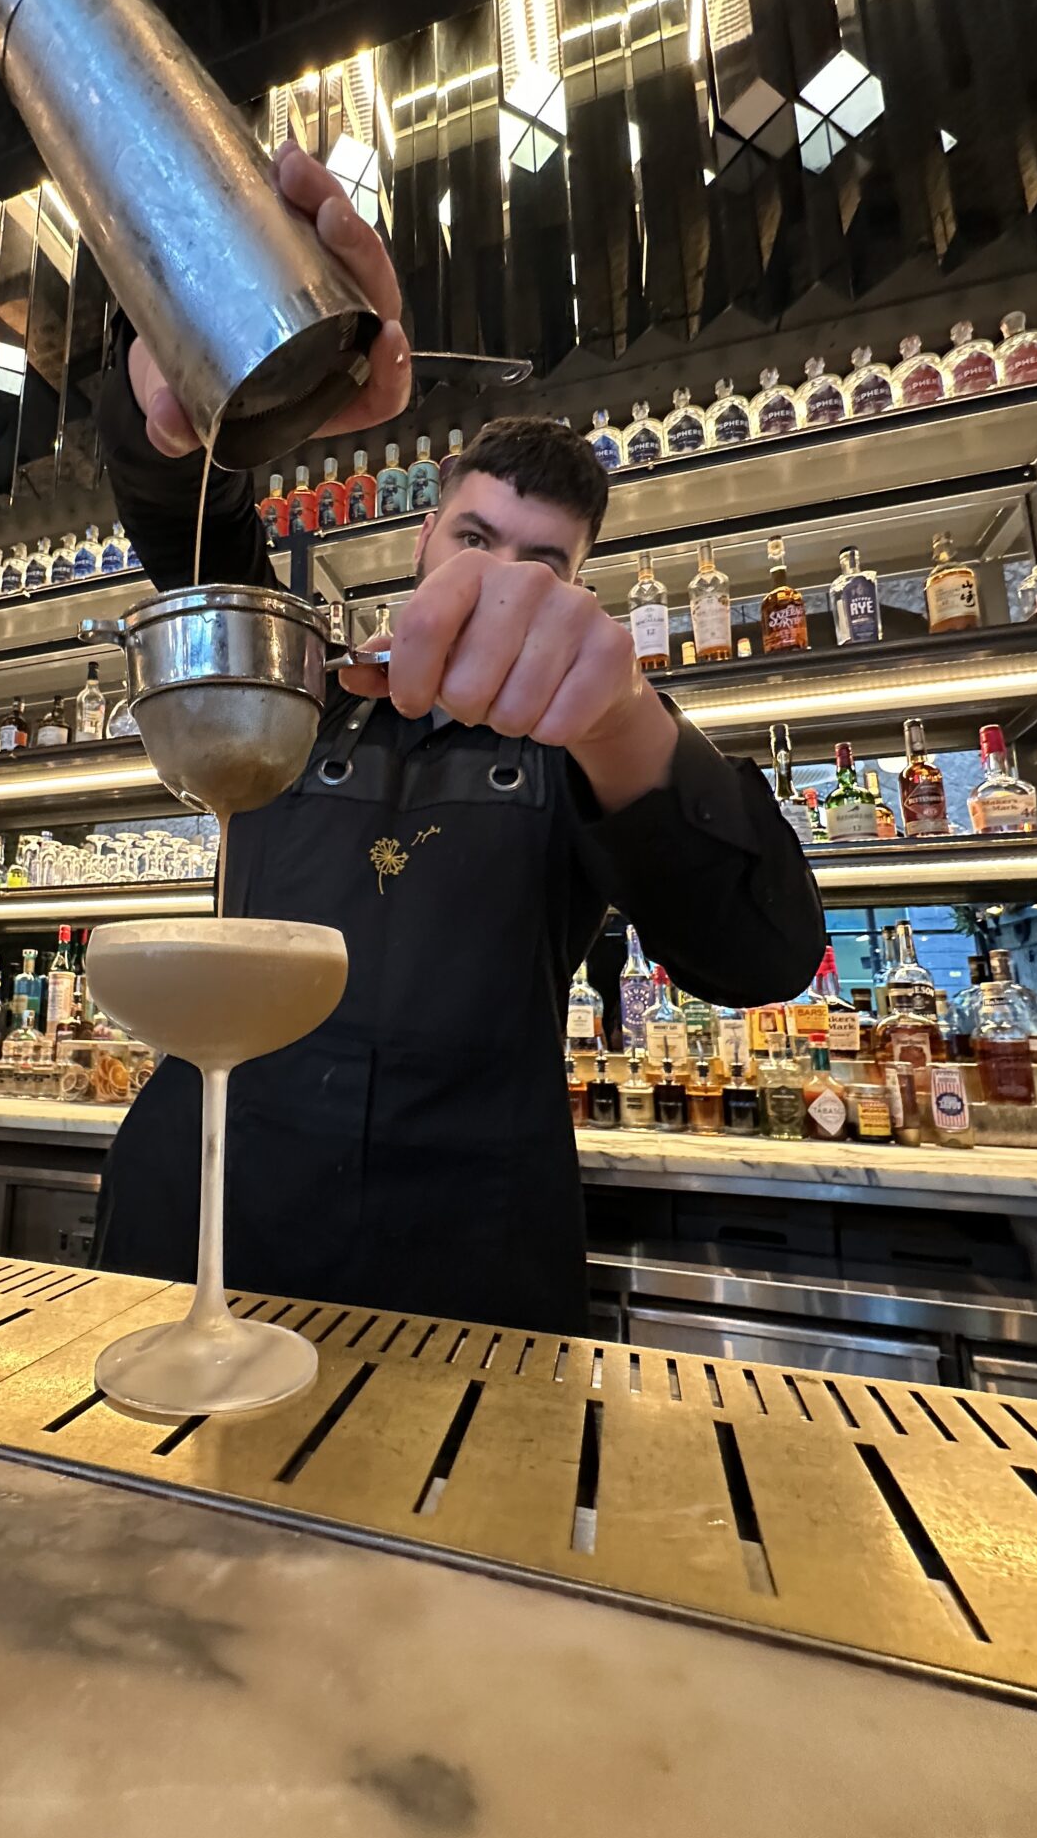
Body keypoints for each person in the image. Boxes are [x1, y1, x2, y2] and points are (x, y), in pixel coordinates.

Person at [92, 145, 825, 1335]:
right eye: (476, 539)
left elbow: (763, 954)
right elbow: (188, 512)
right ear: (423, 538)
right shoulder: (297, 680)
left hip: (460, 1265)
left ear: (579, 591)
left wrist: (622, 718)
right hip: (206, 1219)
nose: (501, 581)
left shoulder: (585, 747)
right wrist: (191, 357)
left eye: (543, 565)